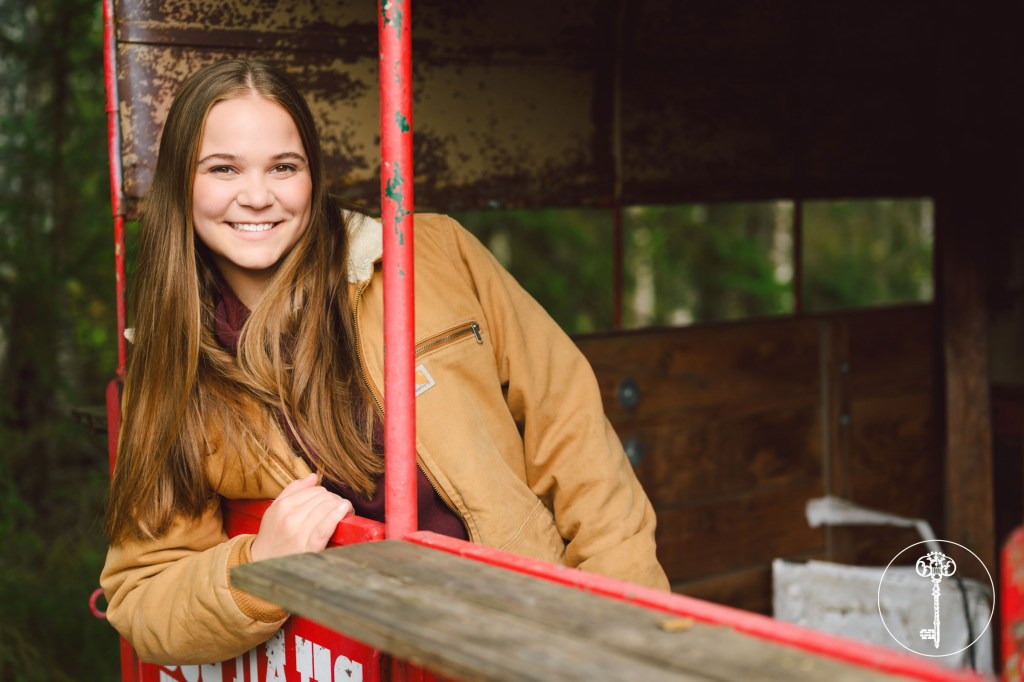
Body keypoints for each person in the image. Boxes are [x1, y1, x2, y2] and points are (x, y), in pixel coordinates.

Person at [100, 59, 668, 665]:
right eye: (223, 169)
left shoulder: (434, 255)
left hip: (523, 635)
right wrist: (259, 565)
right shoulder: (174, 369)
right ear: (181, 184)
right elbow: (143, 591)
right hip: (362, 660)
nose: (258, 195)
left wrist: (627, 631)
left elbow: (574, 434)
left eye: (283, 167)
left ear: (312, 176)